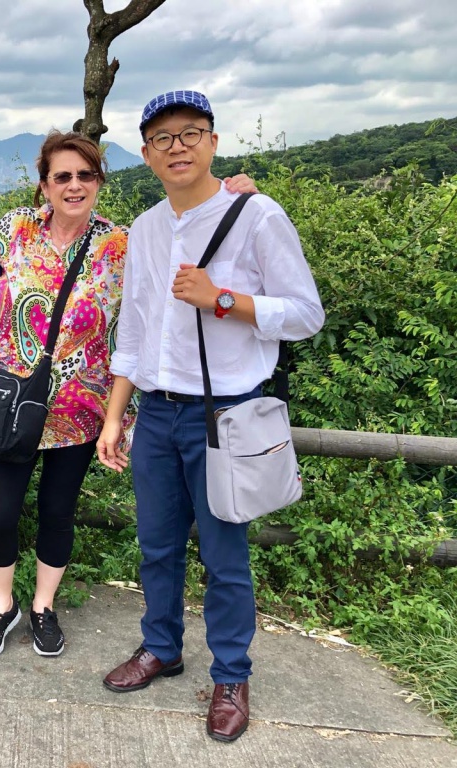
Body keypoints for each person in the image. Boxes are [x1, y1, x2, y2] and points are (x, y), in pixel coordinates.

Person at [0, 131, 259, 661]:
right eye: (62, 177)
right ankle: (2, 605)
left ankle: (43, 608)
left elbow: (171, 272)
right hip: (9, 406)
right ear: (45, 186)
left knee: (58, 511)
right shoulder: (14, 229)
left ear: (99, 180)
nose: (74, 186)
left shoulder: (122, 243)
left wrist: (232, 198)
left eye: (85, 175)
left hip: (82, 409)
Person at [96, 91, 324, 742]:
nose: (177, 146)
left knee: (225, 557)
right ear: (145, 155)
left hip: (227, 415)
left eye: (190, 133)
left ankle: (231, 674)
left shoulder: (257, 216)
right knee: (157, 546)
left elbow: (307, 314)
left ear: (213, 142)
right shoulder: (144, 229)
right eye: (162, 138)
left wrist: (223, 299)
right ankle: (160, 648)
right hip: (157, 415)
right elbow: (133, 332)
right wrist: (117, 417)